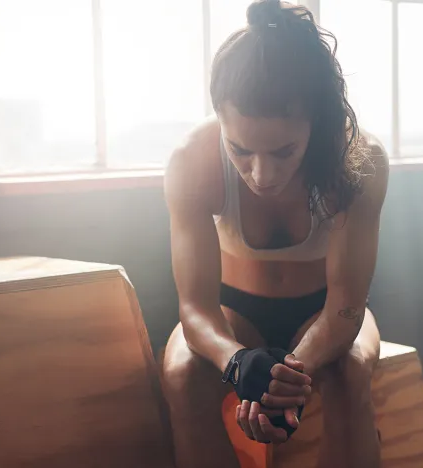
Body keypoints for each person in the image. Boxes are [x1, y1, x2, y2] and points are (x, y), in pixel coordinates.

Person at [162, 1, 389, 467]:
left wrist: (290, 376)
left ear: (315, 122)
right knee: (182, 376)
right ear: (220, 121)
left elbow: (347, 304)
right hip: (234, 310)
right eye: (239, 150)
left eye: (284, 151)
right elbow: (196, 308)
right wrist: (238, 362)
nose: (260, 174)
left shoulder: (359, 159)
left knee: (350, 373)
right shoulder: (191, 160)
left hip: (327, 312)